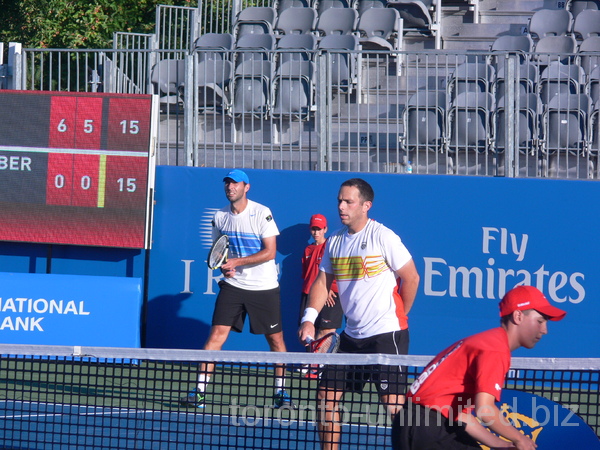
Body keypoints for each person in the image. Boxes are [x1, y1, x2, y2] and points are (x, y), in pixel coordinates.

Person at [298, 178, 420, 450]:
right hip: (351, 338)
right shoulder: (335, 242)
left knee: (395, 408)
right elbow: (322, 281)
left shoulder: (383, 236)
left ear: (366, 206)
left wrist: (399, 318)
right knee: (326, 397)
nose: (341, 206)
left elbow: (411, 278)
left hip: (387, 335)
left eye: (348, 201)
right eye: (339, 200)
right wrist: (309, 318)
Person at [392, 285, 567, 450]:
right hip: (430, 427)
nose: (545, 330)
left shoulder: (481, 342)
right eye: (540, 321)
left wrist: (502, 444)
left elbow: (462, 415)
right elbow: (485, 410)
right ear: (518, 316)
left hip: (407, 424)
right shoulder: (495, 348)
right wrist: (519, 439)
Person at [180, 169, 293, 409]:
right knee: (215, 337)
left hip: (264, 287)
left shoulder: (262, 213)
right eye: (227, 184)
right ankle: (199, 391)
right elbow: (218, 251)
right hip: (233, 286)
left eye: (235, 184)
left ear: (246, 187)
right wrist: (223, 267)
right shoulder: (219, 217)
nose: (230, 187)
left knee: (275, 340)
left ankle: (281, 392)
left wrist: (237, 262)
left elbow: (270, 252)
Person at [299, 213, 344, 378]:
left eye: (319, 229)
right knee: (307, 331)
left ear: (325, 229)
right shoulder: (307, 250)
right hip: (308, 294)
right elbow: (307, 274)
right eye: (313, 229)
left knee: (326, 331)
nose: (316, 232)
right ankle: (311, 362)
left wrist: (329, 289)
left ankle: (318, 367)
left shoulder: (331, 246)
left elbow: (336, 271)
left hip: (331, 294)